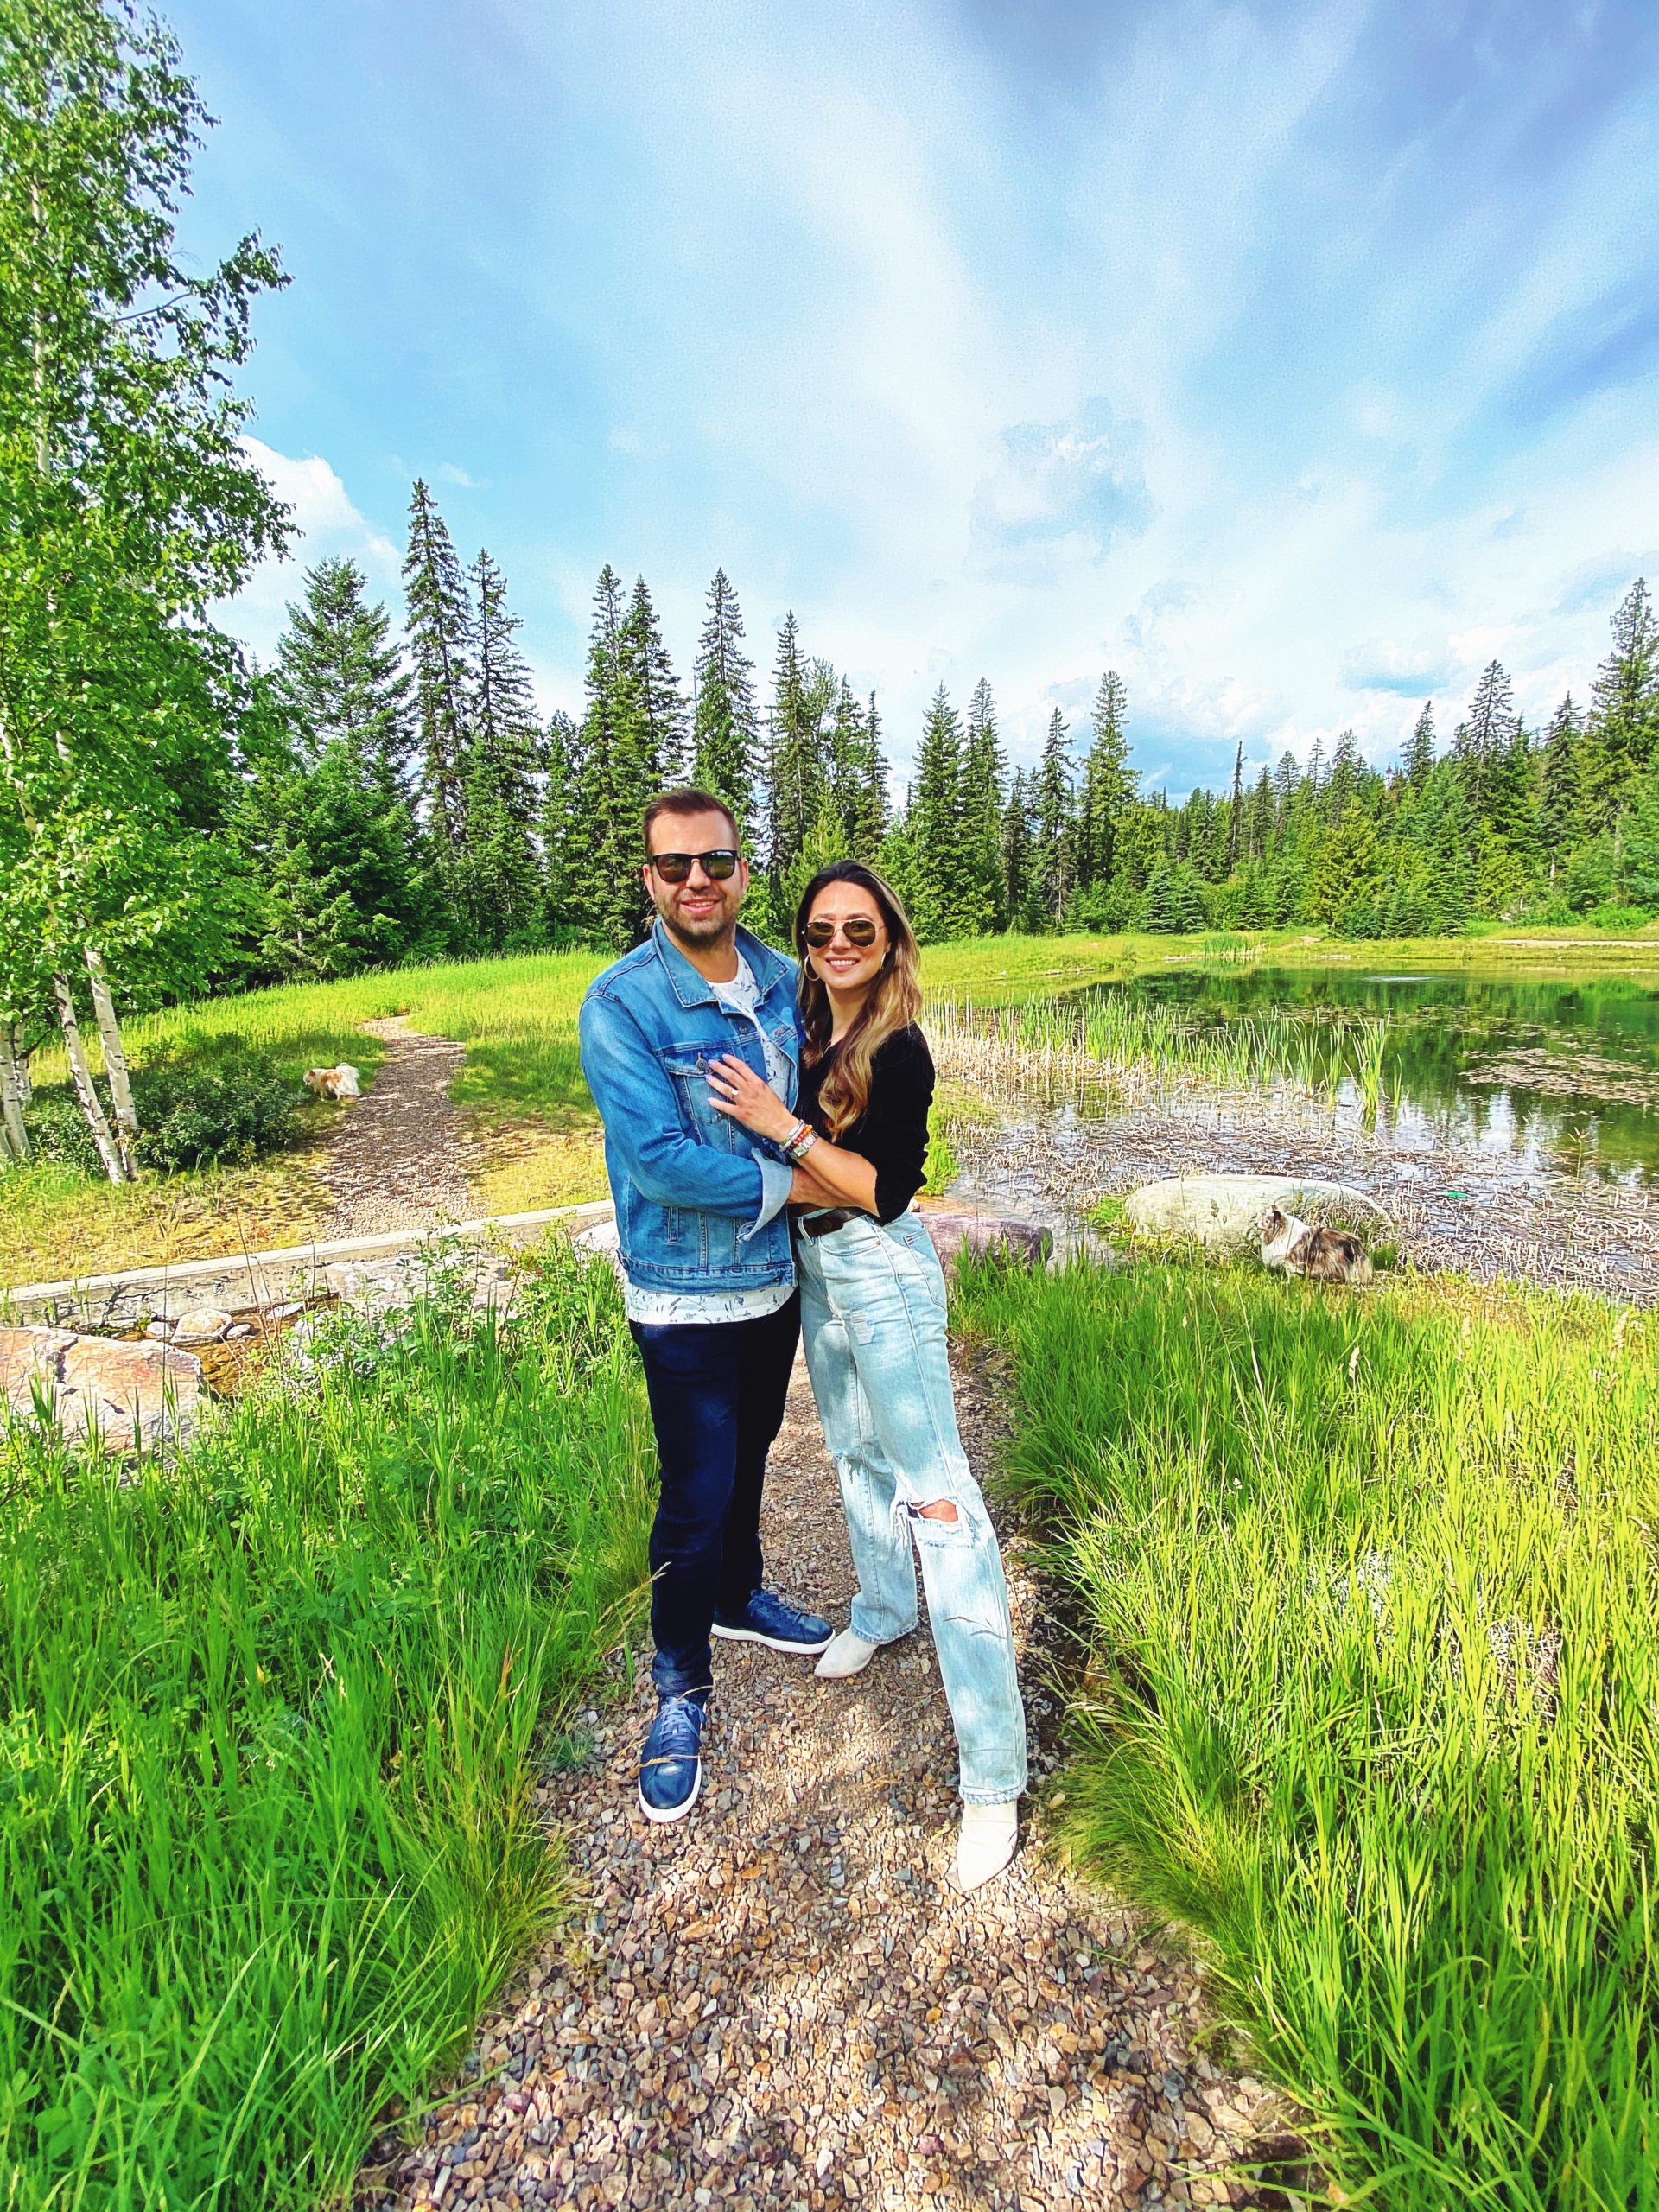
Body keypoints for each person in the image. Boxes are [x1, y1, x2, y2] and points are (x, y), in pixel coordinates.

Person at [705, 861, 1028, 1891]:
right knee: (849, 1449)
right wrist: (804, 1157)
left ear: (890, 940)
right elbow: (823, 1176)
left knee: (937, 1493)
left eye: (860, 929)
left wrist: (781, 1130)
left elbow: (884, 1191)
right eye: (820, 931)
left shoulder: (900, 1044)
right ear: (803, 943)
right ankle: (884, 1612)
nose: (838, 945)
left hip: (880, 1268)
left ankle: (993, 1776)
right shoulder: (802, 1030)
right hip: (813, 1260)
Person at [577, 790, 833, 1824]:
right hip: (682, 1292)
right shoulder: (622, 1004)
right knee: (695, 1488)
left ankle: (737, 1594)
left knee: (757, 1450)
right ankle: (678, 1684)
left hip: (773, 1284)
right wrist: (802, 1181)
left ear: (740, 871)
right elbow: (663, 1163)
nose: (697, 881)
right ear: (650, 879)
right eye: (675, 865)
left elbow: (821, 1096)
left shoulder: (782, 978)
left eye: (716, 862)